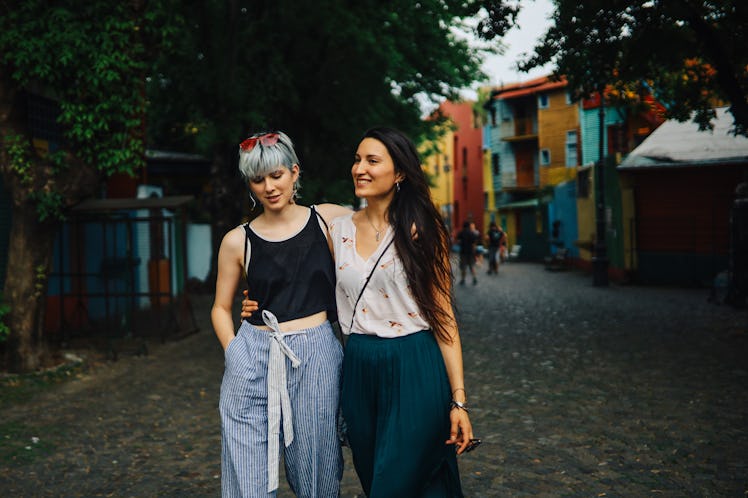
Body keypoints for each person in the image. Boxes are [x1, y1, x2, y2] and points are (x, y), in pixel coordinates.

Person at [329, 127, 476, 497]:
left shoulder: (423, 229)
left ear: (400, 173)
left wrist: (458, 399)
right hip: (359, 365)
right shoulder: (337, 228)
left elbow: (443, 315)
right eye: (358, 159)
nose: (360, 168)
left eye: (372, 161)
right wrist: (258, 299)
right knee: (383, 477)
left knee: (392, 486)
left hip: (414, 362)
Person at [211, 131, 350, 497]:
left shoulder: (329, 221)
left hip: (316, 353)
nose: (269, 186)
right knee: (248, 478)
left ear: (294, 172)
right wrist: (234, 352)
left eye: (277, 175)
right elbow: (220, 308)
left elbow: (383, 230)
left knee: (315, 471)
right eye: (258, 179)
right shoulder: (236, 240)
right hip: (254, 353)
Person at [456, 221, 479, 285]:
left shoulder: (461, 233)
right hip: (471, 252)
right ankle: (474, 278)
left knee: (463, 267)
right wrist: (475, 253)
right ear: (469, 226)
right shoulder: (472, 233)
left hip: (463, 252)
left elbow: (458, 242)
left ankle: (463, 279)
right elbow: (474, 244)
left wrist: (462, 243)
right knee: (471, 266)